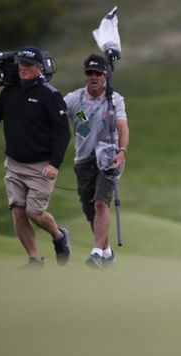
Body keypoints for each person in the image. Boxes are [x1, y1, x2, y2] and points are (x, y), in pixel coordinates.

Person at [0, 45, 71, 268]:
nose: (24, 68)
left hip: (41, 166)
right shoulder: (11, 90)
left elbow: (62, 132)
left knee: (34, 213)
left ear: (39, 68)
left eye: (29, 65)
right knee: (18, 211)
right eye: (21, 64)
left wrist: (55, 164)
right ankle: (34, 258)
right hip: (14, 164)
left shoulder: (50, 95)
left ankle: (59, 235)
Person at [64, 54, 129, 269]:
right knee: (90, 210)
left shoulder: (115, 99)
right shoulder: (74, 99)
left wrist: (121, 151)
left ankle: (96, 253)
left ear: (106, 76)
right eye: (89, 73)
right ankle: (107, 253)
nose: (93, 77)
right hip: (83, 160)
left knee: (101, 202)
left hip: (108, 157)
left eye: (98, 74)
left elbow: (122, 126)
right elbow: (54, 116)